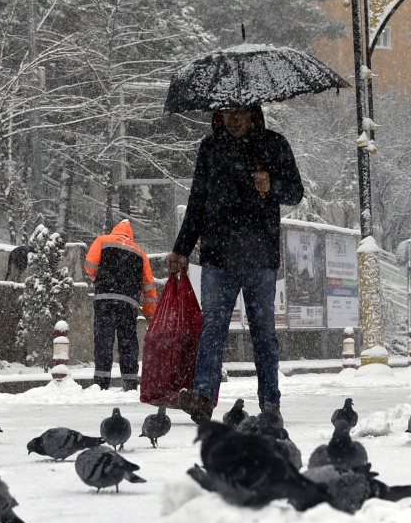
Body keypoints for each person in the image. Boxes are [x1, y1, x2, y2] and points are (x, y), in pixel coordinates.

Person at [167, 104, 304, 422]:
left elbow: (295, 192)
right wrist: (182, 248)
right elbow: (197, 200)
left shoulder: (273, 144)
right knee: (212, 328)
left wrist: (271, 185)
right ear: (219, 115)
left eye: (240, 112)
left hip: (260, 258)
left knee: (263, 332)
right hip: (218, 257)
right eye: (227, 112)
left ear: (253, 112)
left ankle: (270, 403)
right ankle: (203, 398)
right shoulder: (211, 147)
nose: (234, 119)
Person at [83, 219, 158, 390]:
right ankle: (130, 382)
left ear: (115, 230)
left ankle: (101, 382)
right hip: (129, 304)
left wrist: (100, 280)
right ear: (130, 235)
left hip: (105, 299)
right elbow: (149, 287)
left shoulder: (103, 240)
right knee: (128, 342)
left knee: (104, 341)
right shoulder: (140, 253)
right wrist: (149, 314)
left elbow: (90, 266)